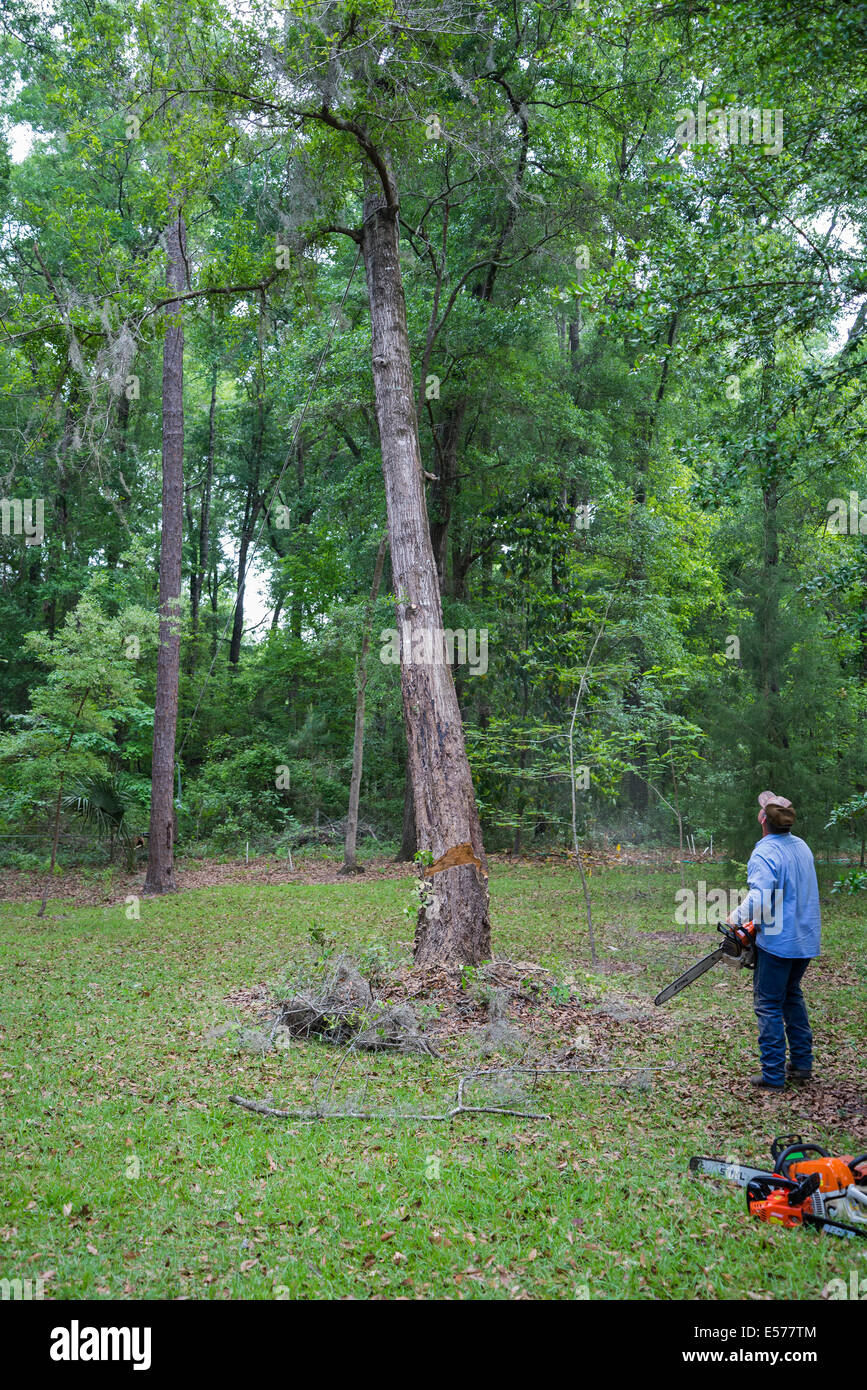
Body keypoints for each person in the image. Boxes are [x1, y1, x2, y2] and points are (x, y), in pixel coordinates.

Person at [727, 791, 821, 1091]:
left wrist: (737, 917)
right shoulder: (801, 846)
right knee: (791, 995)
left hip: (779, 943)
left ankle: (772, 1075)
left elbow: (761, 895)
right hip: (804, 939)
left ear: (763, 819)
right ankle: (802, 1065)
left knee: (768, 1004)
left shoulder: (765, 852)